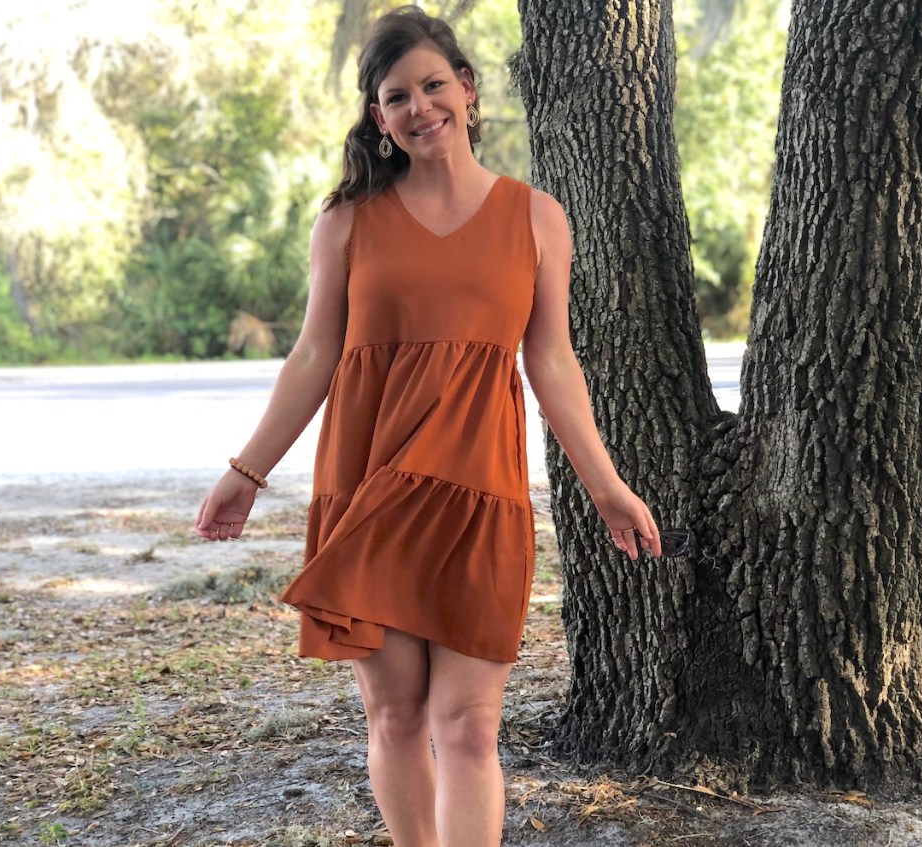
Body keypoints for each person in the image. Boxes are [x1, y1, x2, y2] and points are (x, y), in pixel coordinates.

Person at [196, 6, 662, 846]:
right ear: (380, 117)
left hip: (477, 493)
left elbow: (552, 361)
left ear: (468, 91)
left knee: (471, 727)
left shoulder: (536, 218)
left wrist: (607, 486)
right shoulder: (346, 223)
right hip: (369, 490)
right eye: (398, 95)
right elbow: (312, 358)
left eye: (434, 85)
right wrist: (247, 470)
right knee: (399, 716)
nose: (421, 107)